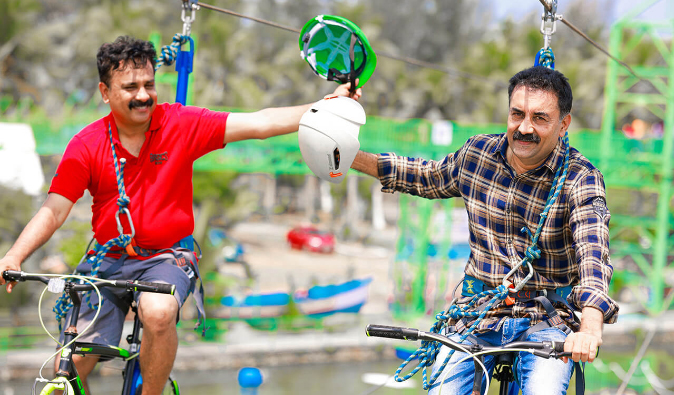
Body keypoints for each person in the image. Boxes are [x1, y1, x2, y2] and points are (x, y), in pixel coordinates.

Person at [0, 35, 361, 395]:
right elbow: (54, 209)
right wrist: (15, 255)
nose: (143, 95)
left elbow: (260, 122)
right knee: (70, 363)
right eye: (130, 87)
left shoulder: (181, 124)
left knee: (157, 312)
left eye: (149, 85)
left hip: (166, 256)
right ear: (105, 92)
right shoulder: (86, 145)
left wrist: (324, 107)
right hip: (107, 258)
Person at [351, 66, 618, 394]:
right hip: (477, 313)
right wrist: (349, 157)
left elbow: (593, 252)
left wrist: (590, 327)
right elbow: (426, 176)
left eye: (539, 118)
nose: (524, 128)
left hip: (546, 321)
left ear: (564, 124)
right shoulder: (478, 155)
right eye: (517, 114)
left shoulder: (581, 178)